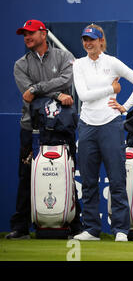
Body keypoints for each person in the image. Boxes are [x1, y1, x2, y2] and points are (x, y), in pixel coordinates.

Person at [6, 19, 82, 239]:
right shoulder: (20, 64)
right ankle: (21, 226)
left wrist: (39, 88)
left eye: (31, 33)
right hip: (31, 126)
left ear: (44, 33)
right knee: (26, 175)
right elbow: (27, 94)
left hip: (61, 126)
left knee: (68, 172)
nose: (27, 37)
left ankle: (75, 225)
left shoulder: (64, 57)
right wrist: (57, 94)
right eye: (24, 34)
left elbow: (66, 78)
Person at [72, 24, 133, 241]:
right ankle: (92, 229)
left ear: (101, 41)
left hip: (110, 124)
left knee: (116, 179)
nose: (88, 44)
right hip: (87, 124)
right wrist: (111, 90)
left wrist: (124, 107)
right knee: (88, 180)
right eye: (85, 40)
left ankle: (121, 230)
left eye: (92, 40)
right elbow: (84, 96)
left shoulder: (112, 62)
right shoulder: (78, 64)